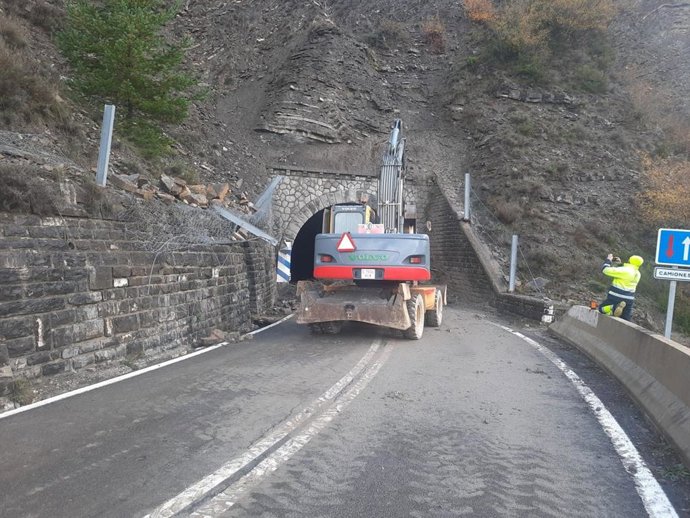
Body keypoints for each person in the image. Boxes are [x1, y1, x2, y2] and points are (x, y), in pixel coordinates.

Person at [598, 253, 644, 321]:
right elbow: (625, 270)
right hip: (629, 299)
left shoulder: (625, 271)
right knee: (625, 319)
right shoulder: (638, 273)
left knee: (602, 309)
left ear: (630, 260)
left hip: (616, 296)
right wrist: (619, 263)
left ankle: (614, 309)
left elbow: (605, 270)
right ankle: (615, 311)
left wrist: (608, 260)